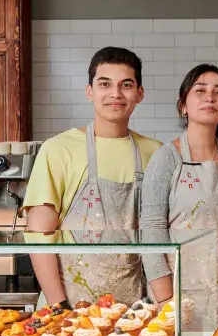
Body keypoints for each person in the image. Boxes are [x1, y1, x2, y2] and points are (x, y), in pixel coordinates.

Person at [24, 47, 163, 307]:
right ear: (90, 91)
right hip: (70, 307)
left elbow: (158, 234)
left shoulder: (155, 152)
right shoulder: (58, 149)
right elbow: (39, 233)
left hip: (134, 309)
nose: (115, 94)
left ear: (139, 93)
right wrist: (58, 306)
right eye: (104, 84)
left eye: (126, 85)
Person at [139, 64, 218, 325]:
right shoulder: (166, 158)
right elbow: (151, 230)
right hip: (183, 294)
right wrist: (166, 300)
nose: (209, 97)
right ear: (183, 106)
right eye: (200, 90)